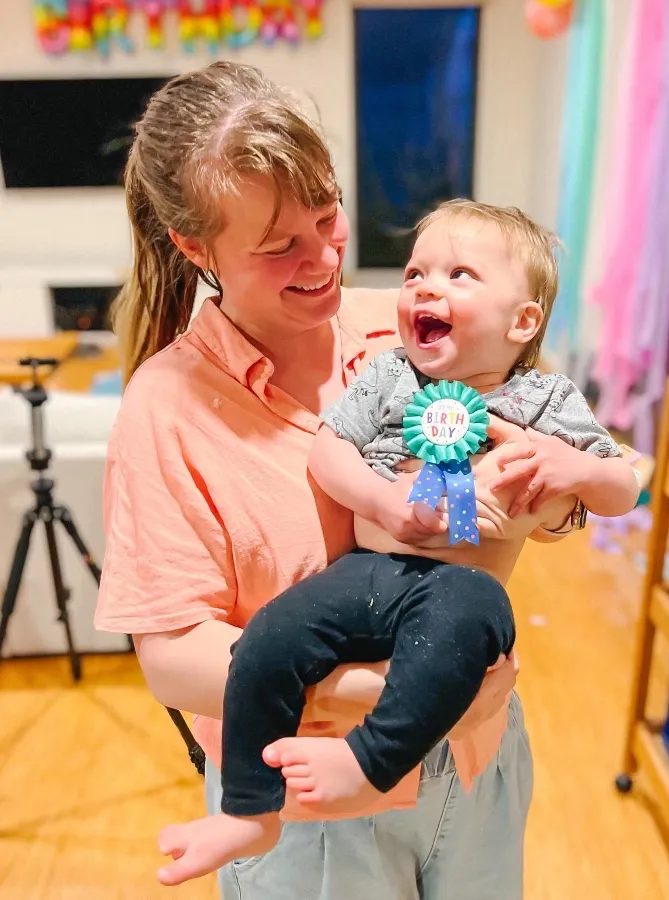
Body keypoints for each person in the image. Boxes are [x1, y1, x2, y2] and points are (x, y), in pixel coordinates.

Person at [95, 61, 582, 900]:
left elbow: (540, 446)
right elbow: (173, 657)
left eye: (328, 216)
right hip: (309, 816)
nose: (322, 258)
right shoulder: (165, 409)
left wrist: (557, 495)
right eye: (279, 246)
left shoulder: (405, 329)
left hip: (475, 762)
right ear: (194, 247)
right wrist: (412, 688)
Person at [154, 199, 640, 884]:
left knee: (458, 642)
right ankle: (247, 810)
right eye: (416, 272)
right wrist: (384, 500)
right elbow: (329, 452)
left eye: (460, 274)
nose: (424, 287)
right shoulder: (387, 374)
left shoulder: (545, 401)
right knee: (272, 634)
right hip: (371, 571)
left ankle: (366, 764)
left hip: (460, 588)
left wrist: (577, 468)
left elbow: (622, 487)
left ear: (522, 320)